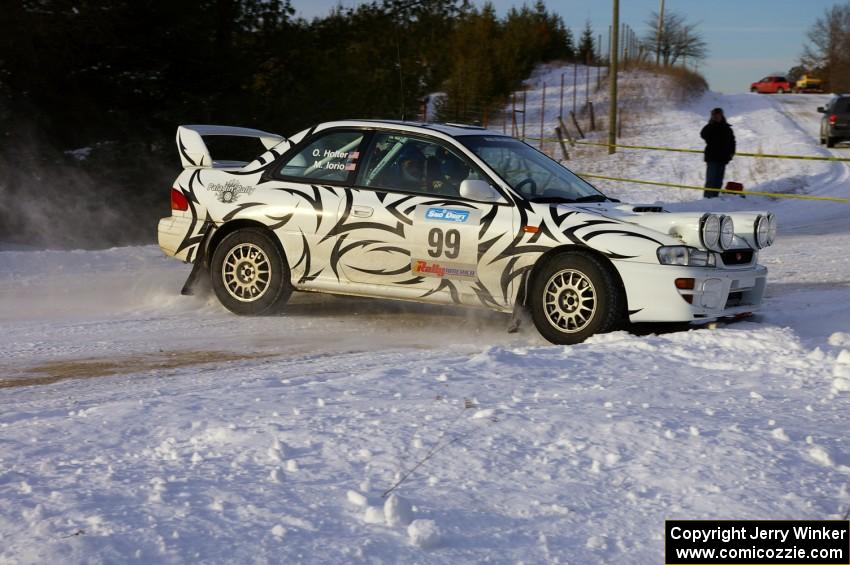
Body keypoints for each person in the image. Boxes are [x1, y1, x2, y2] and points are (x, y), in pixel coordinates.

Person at [700, 107, 736, 198]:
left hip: (723, 158)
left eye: (718, 115)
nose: (716, 117)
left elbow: (732, 142)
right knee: (711, 180)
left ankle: (714, 198)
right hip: (712, 158)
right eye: (714, 115)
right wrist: (711, 124)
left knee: (718, 180)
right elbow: (703, 134)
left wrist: (731, 154)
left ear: (721, 116)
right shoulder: (710, 127)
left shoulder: (727, 128)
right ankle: (707, 198)